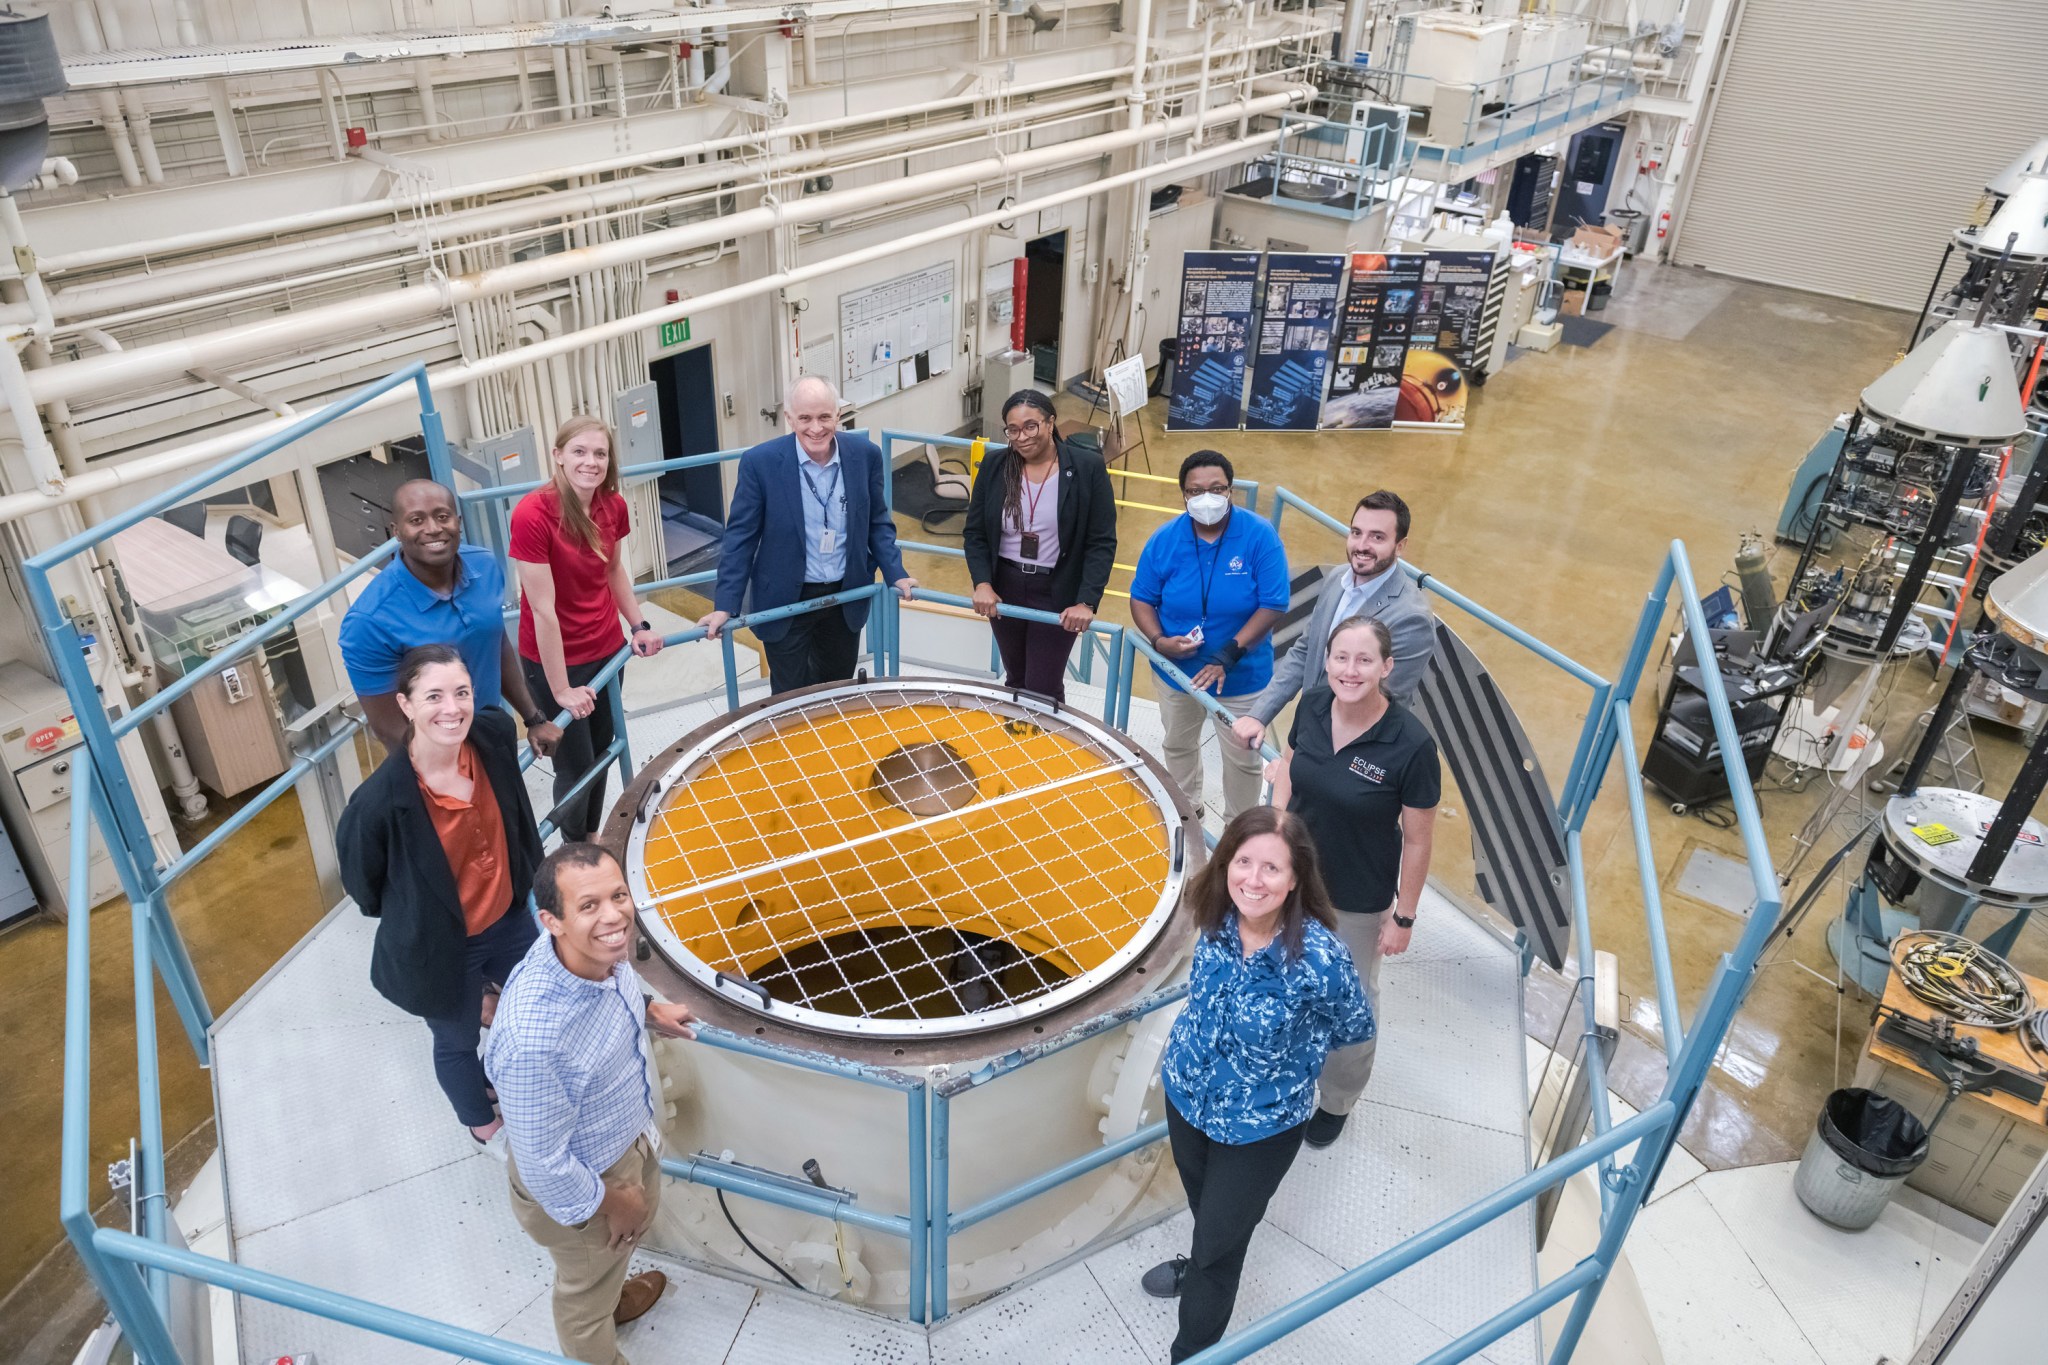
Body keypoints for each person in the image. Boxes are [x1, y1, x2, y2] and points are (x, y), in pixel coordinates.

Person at [1143, 805, 1374, 1362]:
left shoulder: (1319, 957)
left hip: (1259, 1127)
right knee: (1211, 1221)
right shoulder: (1215, 915)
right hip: (1189, 1099)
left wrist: (1288, 1065)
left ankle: (1192, 1350)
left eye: (1271, 868)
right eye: (1243, 861)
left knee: (1221, 1248)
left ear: (1296, 878)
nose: (1253, 878)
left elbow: (1354, 1025)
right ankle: (1198, 1261)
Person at [484, 842, 698, 1365]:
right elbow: (542, 1165)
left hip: (623, 1144)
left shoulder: (595, 955)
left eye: (618, 895)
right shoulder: (533, 1040)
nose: (614, 916)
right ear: (550, 920)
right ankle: (597, 1343)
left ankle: (614, 1299)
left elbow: (611, 995)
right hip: (585, 1186)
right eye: (589, 906)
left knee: (608, 1263)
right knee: (583, 1292)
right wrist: (613, 1199)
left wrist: (648, 1008)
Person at [337, 645, 546, 1152]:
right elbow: (365, 888)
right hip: (444, 945)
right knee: (455, 1041)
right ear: (405, 706)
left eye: (462, 693)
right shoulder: (379, 804)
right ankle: (481, 1121)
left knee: (541, 1005)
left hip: (509, 917)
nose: (452, 709)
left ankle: (518, 1059)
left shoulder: (492, 735)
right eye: (433, 696)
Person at [1266, 614, 1440, 1148]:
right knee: (1282, 977)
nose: (1351, 669)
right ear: (1326, 660)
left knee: (1350, 1002)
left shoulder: (1410, 746)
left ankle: (1337, 1098)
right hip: (1296, 883)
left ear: (1388, 667)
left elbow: (1417, 839)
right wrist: (1275, 838)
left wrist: (1403, 916)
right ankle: (1281, 1064)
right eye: (1341, 656)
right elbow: (1290, 770)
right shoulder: (1314, 704)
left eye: (1365, 659)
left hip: (1357, 901)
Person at [698, 375, 916, 692]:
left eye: (824, 417)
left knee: (837, 688)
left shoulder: (864, 456)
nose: (816, 428)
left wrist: (896, 573)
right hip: (786, 600)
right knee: (790, 695)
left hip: (845, 597)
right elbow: (740, 539)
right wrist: (724, 605)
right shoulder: (761, 464)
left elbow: (877, 522)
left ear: (838, 415)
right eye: (805, 418)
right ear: (789, 419)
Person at [511, 416, 664, 842]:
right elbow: (542, 610)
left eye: (599, 453)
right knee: (575, 766)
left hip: (607, 650)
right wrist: (560, 690)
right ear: (558, 456)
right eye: (579, 452)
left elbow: (614, 570)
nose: (590, 462)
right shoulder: (532, 515)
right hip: (556, 662)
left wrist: (639, 625)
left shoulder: (611, 505)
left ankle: (591, 836)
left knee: (604, 752)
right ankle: (575, 846)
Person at [339, 479, 562, 757]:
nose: (433, 529)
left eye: (442, 516)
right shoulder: (369, 620)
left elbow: (495, 642)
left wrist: (533, 718)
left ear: (458, 522)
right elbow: (388, 728)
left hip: (494, 736)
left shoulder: (485, 566)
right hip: (436, 763)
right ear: (396, 531)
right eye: (416, 520)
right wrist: (453, 775)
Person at [1129, 451, 1290, 819]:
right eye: (1195, 490)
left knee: (1243, 759)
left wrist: (1227, 656)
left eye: (1217, 489)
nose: (1206, 498)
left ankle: (1239, 827)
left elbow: (1273, 603)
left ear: (1231, 491)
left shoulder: (1259, 537)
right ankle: (1187, 808)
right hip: (1177, 671)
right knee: (1178, 742)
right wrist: (1158, 641)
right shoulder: (1165, 539)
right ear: (1183, 494)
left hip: (1241, 676)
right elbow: (1141, 598)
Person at [1231, 489, 1435, 755]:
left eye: (1377, 537)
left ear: (1400, 546)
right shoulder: (1337, 579)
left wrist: (1303, 763)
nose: (1362, 545)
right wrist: (1259, 714)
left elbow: (1382, 705)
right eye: (1356, 532)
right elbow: (1305, 650)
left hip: (1347, 752)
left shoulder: (1411, 618)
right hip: (1308, 728)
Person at [962, 389, 1117, 703]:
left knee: (1042, 685)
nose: (1022, 437)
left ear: (1050, 423)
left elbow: (1100, 541)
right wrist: (982, 583)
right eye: (1013, 429)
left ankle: (1046, 745)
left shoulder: (1086, 467)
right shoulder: (995, 466)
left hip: (1056, 589)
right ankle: (1018, 744)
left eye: (1031, 426)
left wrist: (1086, 601)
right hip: (1004, 585)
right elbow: (975, 533)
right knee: (1016, 677)